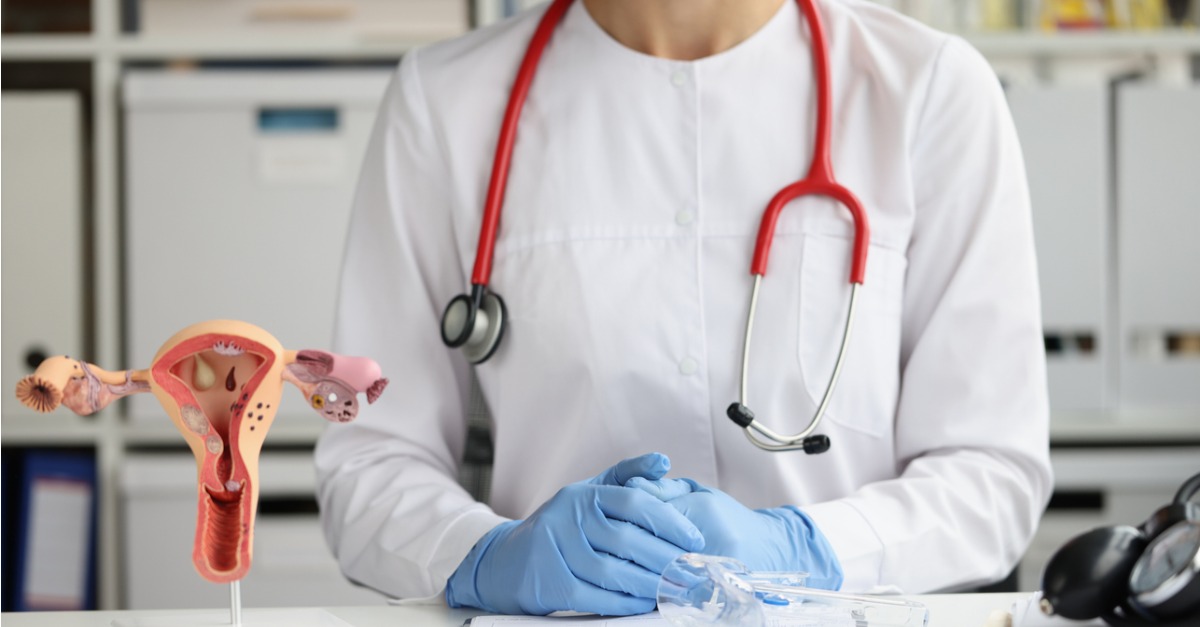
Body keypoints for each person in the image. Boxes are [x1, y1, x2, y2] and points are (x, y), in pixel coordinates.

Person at [314, 0, 1053, 616]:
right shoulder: (446, 101)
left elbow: (991, 470)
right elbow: (370, 457)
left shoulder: (927, 89)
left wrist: (814, 548)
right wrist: (484, 554)